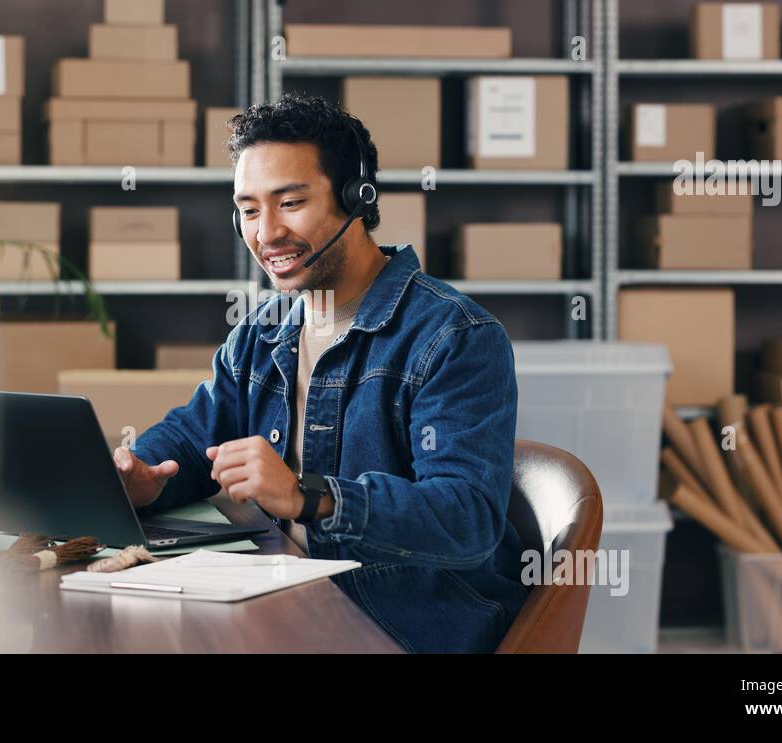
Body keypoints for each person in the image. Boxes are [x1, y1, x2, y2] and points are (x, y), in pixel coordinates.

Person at [112, 93, 528, 653]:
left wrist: (307, 496)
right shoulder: (263, 332)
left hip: (399, 627)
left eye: (290, 203)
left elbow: (466, 519)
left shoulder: (455, 337)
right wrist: (144, 474)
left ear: (357, 199)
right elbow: (194, 435)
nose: (267, 233)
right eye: (249, 210)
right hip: (282, 600)